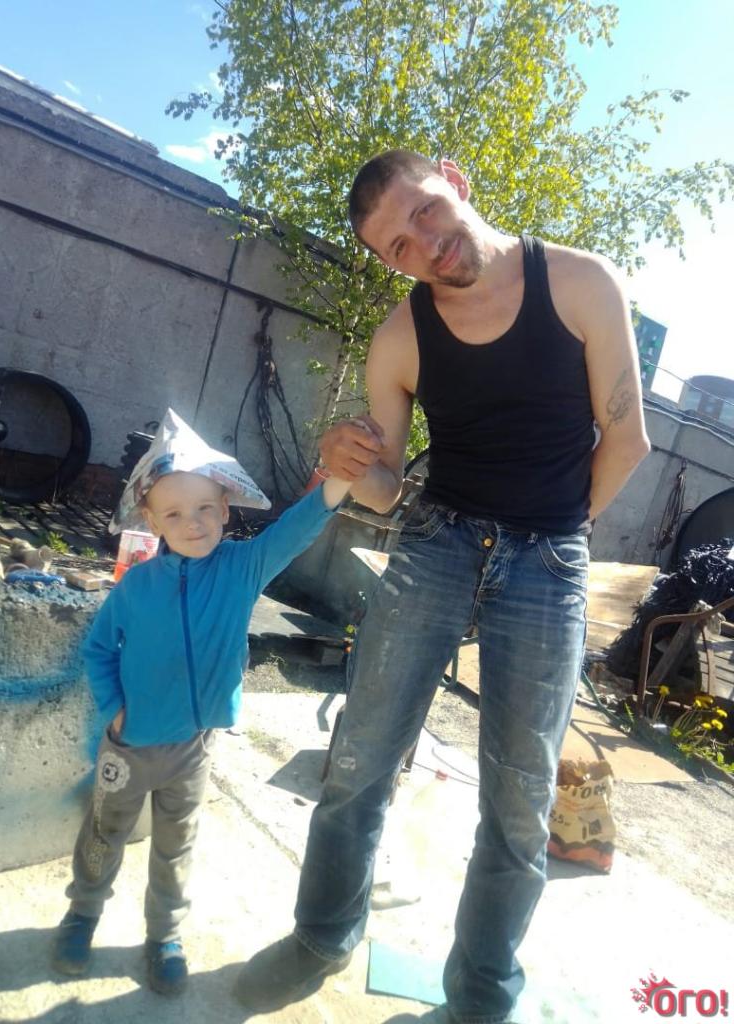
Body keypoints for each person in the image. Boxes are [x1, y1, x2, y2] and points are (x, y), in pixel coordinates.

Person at [233, 150, 650, 1023]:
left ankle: (481, 996)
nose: (423, 244)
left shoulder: (581, 283)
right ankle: (320, 936)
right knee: (360, 758)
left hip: (549, 562)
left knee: (519, 800)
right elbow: (386, 488)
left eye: (423, 211)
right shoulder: (401, 338)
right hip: (436, 545)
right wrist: (348, 464)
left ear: (455, 181)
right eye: (397, 245)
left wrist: (555, 533)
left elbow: (627, 441)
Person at [51, 408, 352, 995]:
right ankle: (82, 914)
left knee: (176, 846)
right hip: (129, 745)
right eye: (174, 514)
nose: (193, 523)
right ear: (151, 520)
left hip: (194, 748)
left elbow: (294, 530)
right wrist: (116, 709)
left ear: (226, 507)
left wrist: (338, 479)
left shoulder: (243, 569)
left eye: (206, 508)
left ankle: (164, 934)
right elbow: (98, 649)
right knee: (104, 833)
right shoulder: (137, 587)